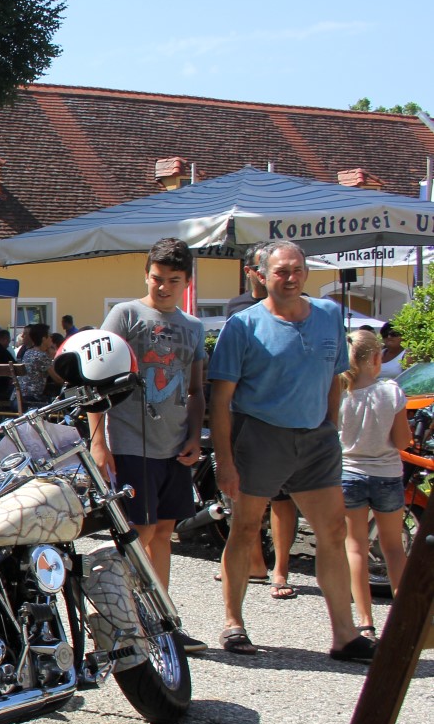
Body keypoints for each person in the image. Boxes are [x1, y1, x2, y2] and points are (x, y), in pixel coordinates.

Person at [208, 240, 366, 661]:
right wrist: (224, 461)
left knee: (333, 532)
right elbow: (220, 399)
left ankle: (345, 635)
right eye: (281, 271)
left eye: (297, 269)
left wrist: (329, 425)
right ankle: (233, 623)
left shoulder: (330, 315)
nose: (291, 278)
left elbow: (335, 376)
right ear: (261, 275)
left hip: (316, 439)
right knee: (244, 529)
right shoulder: (242, 326)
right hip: (261, 436)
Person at [87, 238, 207, 651]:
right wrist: (97, 443)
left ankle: (162, 618)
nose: (164, 287)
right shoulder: (125, 315)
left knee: (164, 533)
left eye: (174, 280)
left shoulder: (194, 327)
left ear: (186, 281)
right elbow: (95, 380)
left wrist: (195, 436)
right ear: (146, 274)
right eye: (157, 278)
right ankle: (127, 618)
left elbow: (195, 390)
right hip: (130, 440)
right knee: (139, 531)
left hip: (174, 445)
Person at [222, 242, 298, 593]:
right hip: (249, 417)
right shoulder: (238, 309)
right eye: (256, 268)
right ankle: (255, 564)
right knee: (247, 501)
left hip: (285, 415)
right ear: (252, 273)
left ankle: (281, 569)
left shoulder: (295, 306)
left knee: (282, 499)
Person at [338, 328, 411, 637]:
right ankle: (405, 618)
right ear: (377, 359)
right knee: (394, 547)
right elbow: (402, 440)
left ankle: (365, 622)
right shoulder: (391, 392)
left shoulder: (340, 394)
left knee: (355, 546)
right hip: (386, 474)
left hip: (349, 473)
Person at [16, 324, 62, 405]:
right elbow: (58, 380)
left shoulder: (28, 352)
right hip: (30, 399)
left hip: (17, 398)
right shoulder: (42, 356)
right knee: (59, 404)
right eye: (49, 336)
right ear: (44, 339)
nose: (51, 339)